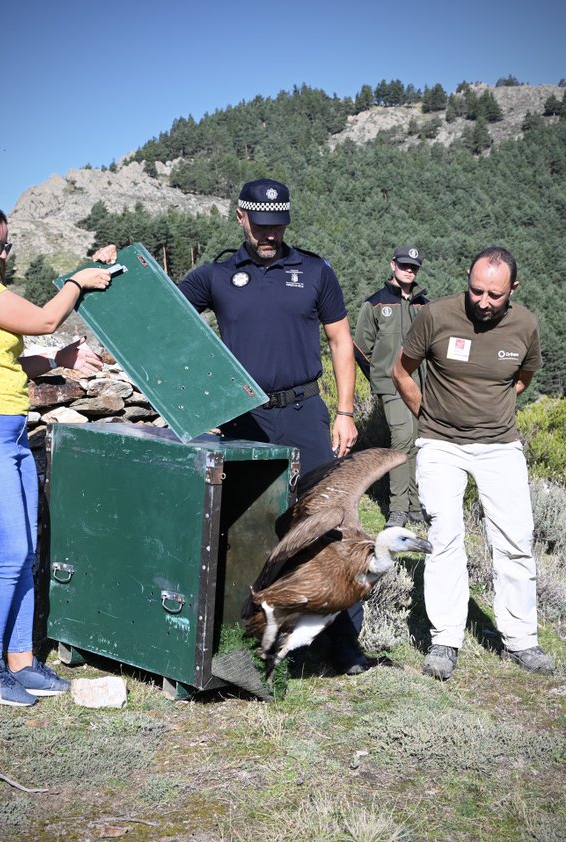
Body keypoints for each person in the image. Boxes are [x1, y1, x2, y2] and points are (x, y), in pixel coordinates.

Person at [177, 178, 366, 674]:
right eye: (260, 225)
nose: (269, 234)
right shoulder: (216, 275)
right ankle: (244, 639)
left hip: (306, 413)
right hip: (245, 417)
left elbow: (341, 342)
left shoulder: (314, 270)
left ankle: (343, 644)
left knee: (331, 527)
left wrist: (344, 412)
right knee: (246, 524)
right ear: (240, 217)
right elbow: (163, 314)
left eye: (277, 224)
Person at [0, 201, 111, 707]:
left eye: (8, 244)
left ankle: (21, 662)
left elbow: (4, 361)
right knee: (6, 555)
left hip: (6, 432)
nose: (5, 253)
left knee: (25, 554)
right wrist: (79, 281)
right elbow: (48, 318)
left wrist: (57, 359)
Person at [392, 246, 555, 679]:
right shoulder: (437, 316)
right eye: (476, 290)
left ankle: (522, 640)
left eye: (495, 295)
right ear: (468, 279)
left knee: (515, 539)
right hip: (440, 443)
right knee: (445, 535)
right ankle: (446, 640)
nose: (484, 301)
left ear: (513, 290)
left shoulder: (525, 326)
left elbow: (523, 378)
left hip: (500, 444)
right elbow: (402, 371)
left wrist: (489, 409)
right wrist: (425, 413)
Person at [354, 245, 428, 528]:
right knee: (401, 439)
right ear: (392, 265)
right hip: (391, 385)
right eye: (404, 265)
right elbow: (361, 347)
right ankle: (398, 508)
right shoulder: (375, 304)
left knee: (417, 443)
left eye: (414, 267)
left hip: (419, 386)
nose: (409, 270)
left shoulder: (424, 305)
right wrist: (380, 377)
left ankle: (415, 506)